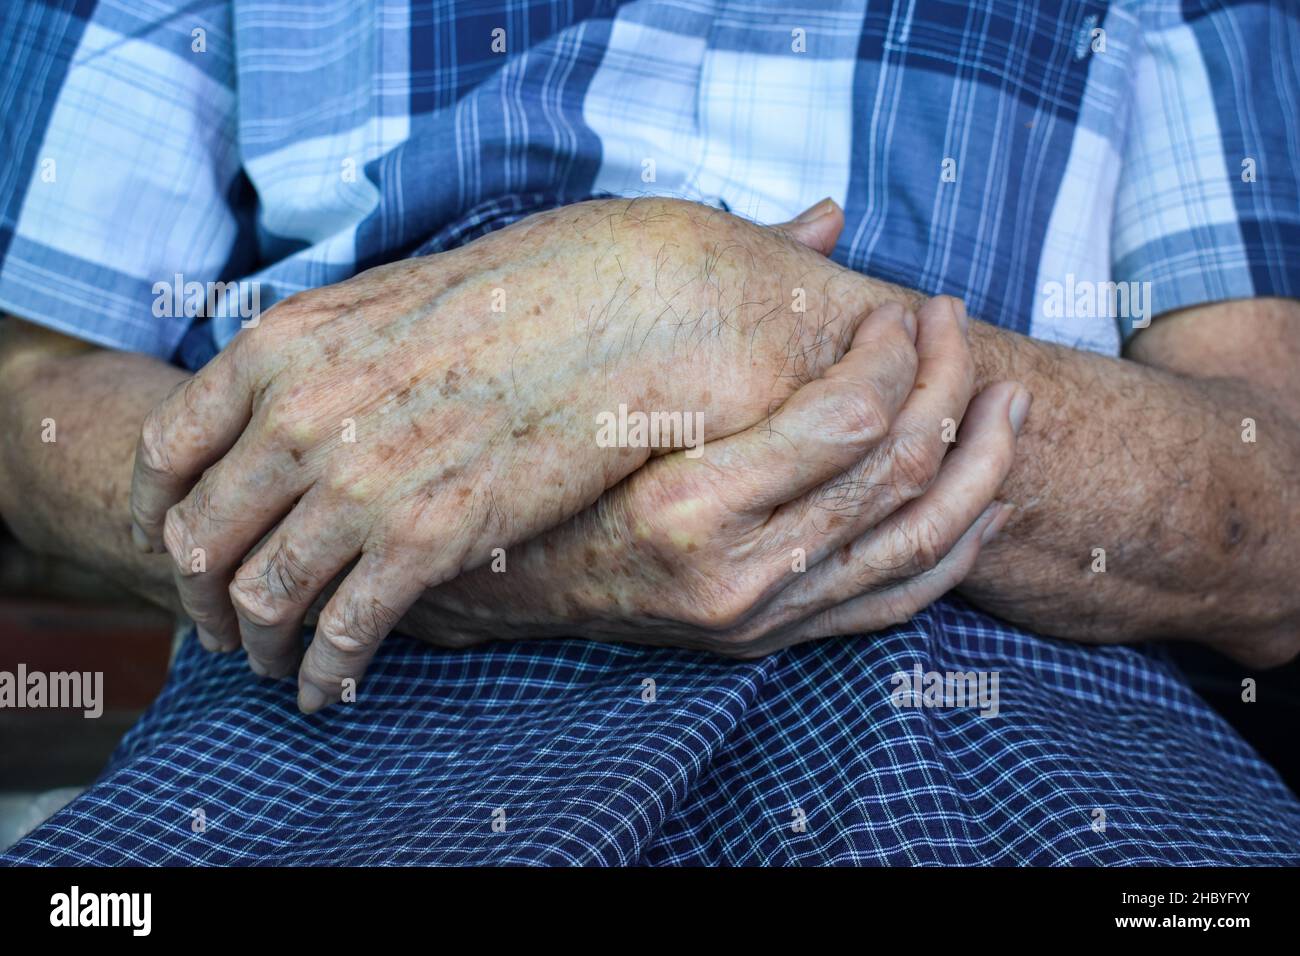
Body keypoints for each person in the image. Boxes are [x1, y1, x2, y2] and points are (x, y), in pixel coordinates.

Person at [1, 0, 1297, 865]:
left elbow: (1277, 502)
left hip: (1007, 672)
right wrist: (489, 551)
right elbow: (29, 388)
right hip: (351, 658)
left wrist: (753, 317)